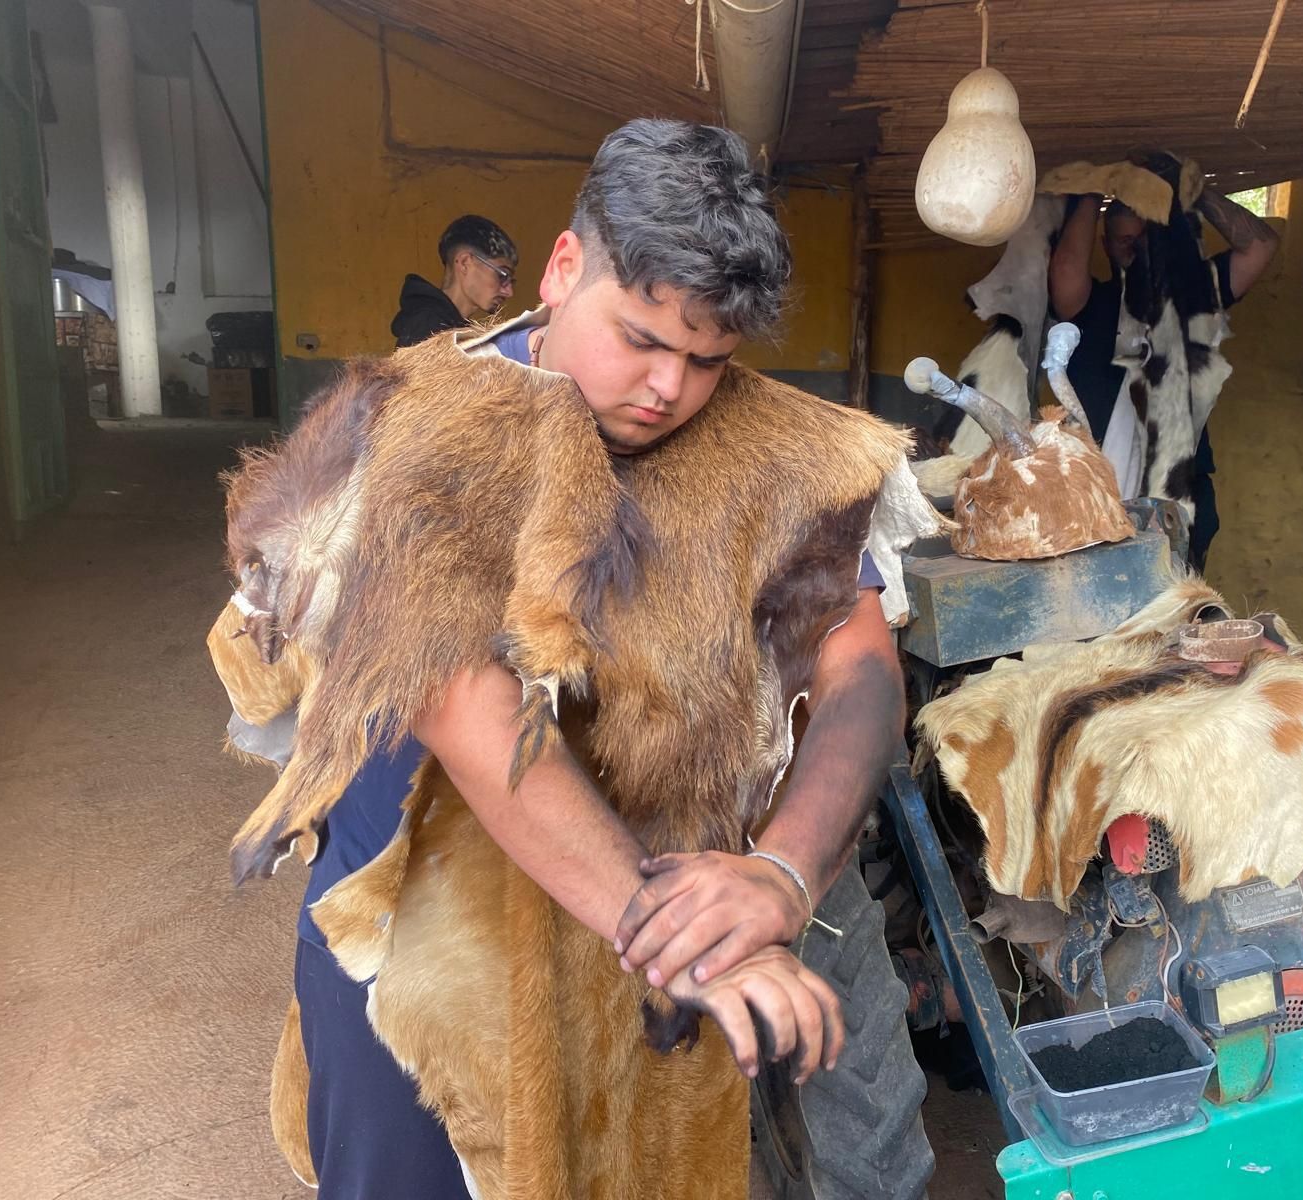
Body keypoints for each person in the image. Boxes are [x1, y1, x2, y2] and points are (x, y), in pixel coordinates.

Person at [262, 120, 901, 1198]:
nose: (667, 387)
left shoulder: (780, 448)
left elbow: (861, 665)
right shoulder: (415, 427)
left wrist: (782, 873)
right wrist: (693, 944)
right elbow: (474, 716)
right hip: (419, 924)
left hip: (632, 928)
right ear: (564, 269)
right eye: (641, 337)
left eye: (707, 359)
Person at [1048, 185, 1280, 570]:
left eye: (1147, 239)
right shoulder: (1090, 304)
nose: (1138, 250)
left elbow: (1260, 246)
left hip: (1179, 503)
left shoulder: (1197, 300)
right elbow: (1066, 269)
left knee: (1174, 613)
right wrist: (1093, 190)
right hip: (1090, 502)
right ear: (1106, 246)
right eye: (1126, 240)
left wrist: (1193, 188)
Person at [389, 214, 518, 346]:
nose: (509, 292)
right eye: (503, 275)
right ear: (465, 263)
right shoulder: (429, 331)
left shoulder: (452, 329)